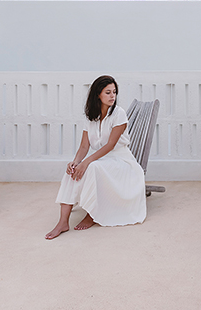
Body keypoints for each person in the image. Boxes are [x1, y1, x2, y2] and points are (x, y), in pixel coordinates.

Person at [45, 75, 146, 239]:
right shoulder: (90, 116)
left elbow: (110, 145)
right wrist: (75, 162)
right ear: (98, 94)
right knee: (72, 170)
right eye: (108, 92)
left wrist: (86, 162)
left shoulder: (118, 114)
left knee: (92, 167)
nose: (112, 96)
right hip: (102, 159)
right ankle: (62, 222)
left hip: (122, 161)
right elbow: (84, 146)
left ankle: (91, 215)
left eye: (114, 92)